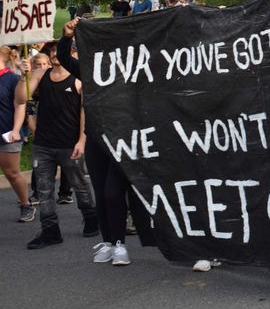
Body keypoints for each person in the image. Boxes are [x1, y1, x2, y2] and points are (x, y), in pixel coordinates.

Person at [57, 19, 155, 264]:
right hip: (96, 140)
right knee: (100, 194)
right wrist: (66, 37)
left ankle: (120, 244)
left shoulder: (133, 72)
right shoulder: (89, 70)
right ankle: (109, 242)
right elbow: (65, 59)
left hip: (123, 142)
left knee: (113, 193)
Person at [10, 46, 98, 249]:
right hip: (43, 144)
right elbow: (21, 99)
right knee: (43, 190)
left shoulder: (79, 79)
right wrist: (23, 76)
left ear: (73, 54)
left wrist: (81, 141)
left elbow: (85, 113)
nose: (56, 54)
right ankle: (50, 231)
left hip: (70, 144)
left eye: (62, 50)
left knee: (80, 185)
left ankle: (91, 219)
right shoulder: (40, 74)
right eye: (53, 51)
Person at [0, 46, 36, 222]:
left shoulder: (12, 79)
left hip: (7, 132)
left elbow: (20, 105)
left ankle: (26, 204)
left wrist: (16, 130)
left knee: (11, 172)